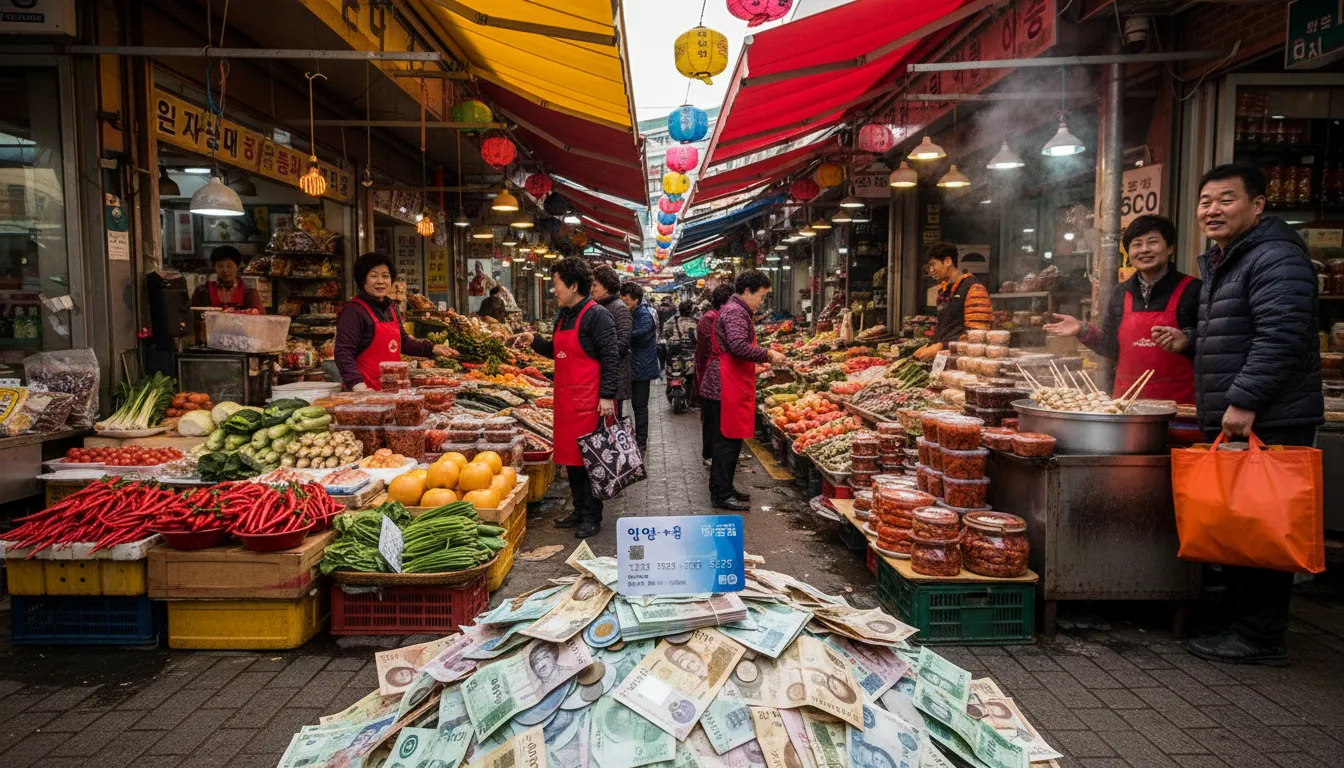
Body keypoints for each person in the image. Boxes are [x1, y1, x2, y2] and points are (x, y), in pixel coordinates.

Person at [1176, 163, 1323, 666]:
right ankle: (1237, 620)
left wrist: (1244, 400)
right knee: (1239, 518)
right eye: (1205, 201)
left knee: (1265, 521)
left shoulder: (1274, 257)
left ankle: (1260, 634)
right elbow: (1235, 332)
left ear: (1258, 204)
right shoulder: (1230, 258)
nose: (1212, 210)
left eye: (1226, 199)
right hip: (1245, 409)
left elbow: (1281, 336)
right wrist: (1190, 342)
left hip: (1270, 414)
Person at [510, 258, 620, 539]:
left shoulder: (598, 316)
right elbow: (556, 350)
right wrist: (534, 341)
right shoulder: (564, 315)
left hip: (590, 403)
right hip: (566, 402)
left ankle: (592, 516)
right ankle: (579, 510)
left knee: (590, 460)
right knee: (572, 461)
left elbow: (611, 358)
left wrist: (607, 396)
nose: (553, 290)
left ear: (573, 286)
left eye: (556, 284)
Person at [1043, 215, 1201, 402]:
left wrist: (1187, 340)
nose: (1144, 249)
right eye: (1136, 244)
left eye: (1152, 242)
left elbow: (1214, 346)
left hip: (1179, 406)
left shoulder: (1194, 290)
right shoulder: (1120, 293)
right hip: (1126, 405)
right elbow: (1110, 348)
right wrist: (1082, 329)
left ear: (1170, 248)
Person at [704, 271, 788, 511]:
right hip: (724, 384)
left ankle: (725, 487)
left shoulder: (736, 310)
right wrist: (768, 354)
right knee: (726, 441)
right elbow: (738, 346)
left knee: (731, 441)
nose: (761, 302)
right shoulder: (735, 312)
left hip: (727, 382)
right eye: (761, 296)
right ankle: (720, 494)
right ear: (748, 291)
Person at [334, 252, 454, 391]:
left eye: (385, 276)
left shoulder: (391, 308)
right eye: (374, 276)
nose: (381, 281)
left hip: (393, 390)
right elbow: (343, 353)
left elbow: (403, 342)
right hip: (366, 391)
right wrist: (357, 385)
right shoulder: (353, 311)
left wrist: (432, 348)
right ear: (363, 280)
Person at [914, 242, 992, 360]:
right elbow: (946, 326)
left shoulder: (974, 289)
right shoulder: (944, 290)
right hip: (945, 359)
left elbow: (978, 335)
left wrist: (941, 347)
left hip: (963, 361)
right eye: (929, 266)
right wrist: (931, 345)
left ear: (948, 261)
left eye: (933, 264)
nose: (931, 270)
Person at [697, 285, 734, 467]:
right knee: (712, 416)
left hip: (720, 372)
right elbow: (707, 348)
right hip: (711, 372)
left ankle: (721, 452)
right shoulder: (710, 318)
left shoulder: (719, 316)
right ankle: (709, 453)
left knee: (723, 416)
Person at [621, 281, 659, 452]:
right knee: (638, 405)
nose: (625, 303)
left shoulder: (643, 314)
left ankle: (641, 440)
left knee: (640, 406)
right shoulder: (636, 312)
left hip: (642, 367)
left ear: (636, 300)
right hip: (637, 365)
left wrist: (620, 334)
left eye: (627, 300)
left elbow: (637, 335)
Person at [591, 266, 632, 417]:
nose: (591, 289)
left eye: (595, 285)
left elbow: (623, 342)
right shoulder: (597, 307)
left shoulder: (619, 308)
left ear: (606, 286)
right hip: (601, 374)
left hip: (614, 376)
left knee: (612, 419)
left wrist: (600, 356)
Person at [190, 246, 265, 312]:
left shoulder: (249, 293)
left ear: (238, 267)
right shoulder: (202, 292)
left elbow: (259, 319)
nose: (225, 270)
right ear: (214, 267)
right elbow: (194, 316)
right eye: (220, 266)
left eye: (229, 266)